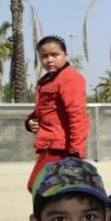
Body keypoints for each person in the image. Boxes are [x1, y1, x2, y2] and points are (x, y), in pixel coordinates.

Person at [24, 36, 90, 193]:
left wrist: (74, 153)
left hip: (62, 148)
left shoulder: (69, 78)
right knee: (45, 188)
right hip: (49, 144)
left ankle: (51, 217)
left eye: (55, 54)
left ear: (65, 55)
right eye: (44, 56)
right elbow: (43, 110)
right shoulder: (47, 80)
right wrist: (29, 122)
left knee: (39, 187)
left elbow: (77, 116)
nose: (49, 60)